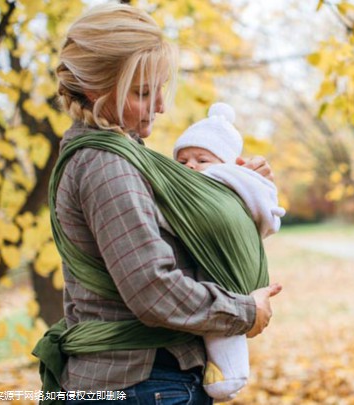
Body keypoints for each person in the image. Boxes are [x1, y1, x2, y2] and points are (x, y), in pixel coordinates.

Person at [31, 4, 281, 405]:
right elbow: (153, 288)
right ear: (96, 90)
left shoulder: (120, 156)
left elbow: (185, 233)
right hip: (140, 384)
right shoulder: (105, 165)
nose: (161, 106)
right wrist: (244, 312)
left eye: (160, 88)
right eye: (143, 92)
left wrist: (240, 187)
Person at [173, 102, 286, 401]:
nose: (191, 167)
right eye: (182, 160)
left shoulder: (223, 182)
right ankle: (225, 375)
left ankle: (230, 375)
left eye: (201, 159)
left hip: (224, 268)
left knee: (222, 322)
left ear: (226, 163)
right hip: (218, 268)